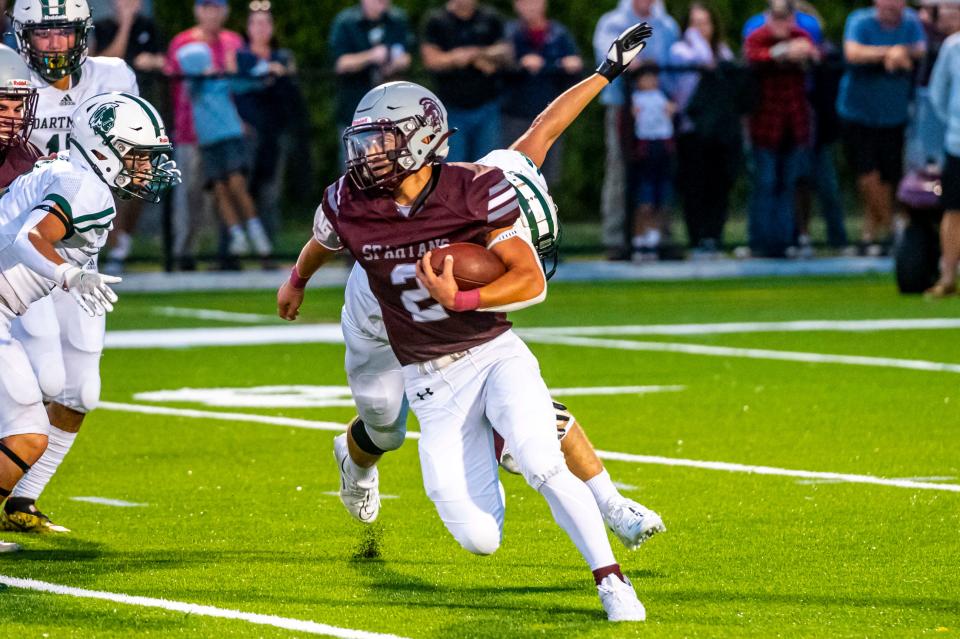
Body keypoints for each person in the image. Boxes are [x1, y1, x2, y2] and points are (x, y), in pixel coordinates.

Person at [278, 24, 660, 621]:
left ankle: (601, 522)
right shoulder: (484, 180)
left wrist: (463, 298)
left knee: (533, 434)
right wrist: (607, 71)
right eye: (369, 141)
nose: (369, 153)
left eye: (382, 142)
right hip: (378, 306)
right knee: (383, 428)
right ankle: (356, 463)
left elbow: (521, 277)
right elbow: (545, 129)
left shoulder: (487, 214)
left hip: (466, 336)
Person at [0, 93, 179, 540]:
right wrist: (69, 275)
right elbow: (28, 238)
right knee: (26, 434)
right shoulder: (88, 187)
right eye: (137, 156)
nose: (146, 168)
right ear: (103, 149)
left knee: (29, 427)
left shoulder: (67, 170)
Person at [1, 0, 141, 533]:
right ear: (21, 36)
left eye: (64, 33)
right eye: (43, 34)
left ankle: (22, 502)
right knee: (40, 381)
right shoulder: (9, 77)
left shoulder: (114, 75)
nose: (55, 45)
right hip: (26, 245)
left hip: (84, 243)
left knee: (81, 391)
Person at [837, 0, 926, 256]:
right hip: (859, 113)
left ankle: (871, 234)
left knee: (890, 176)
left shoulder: (911, 22)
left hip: (894, 115)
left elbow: (920, 50)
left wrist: (900, 53)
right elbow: (853, 53)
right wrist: (892, 53)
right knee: (867, 174)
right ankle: (891, 230)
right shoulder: (861, 21)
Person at [593, 0, 679, 260]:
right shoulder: (613, 23)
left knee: (661, 172)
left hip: (658, 111)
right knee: (620, 170)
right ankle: (617, 239)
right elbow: (610, 58)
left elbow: (672, 65)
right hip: (624, 108)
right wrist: (637, 61)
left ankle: (661, 237)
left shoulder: (666, 25)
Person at [166, 0, 245, 271]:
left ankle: (227, 252)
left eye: (217, 7)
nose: (212, 13)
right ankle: (183, 254)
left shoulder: (232, 42)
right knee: (189, 195)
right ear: (198, 10)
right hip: (191, 132)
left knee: (225, 192)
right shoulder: (183, 43)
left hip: (225, 132)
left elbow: (240, 85)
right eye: (206, 7)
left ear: (225, 11)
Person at [91, 0, 166, 274]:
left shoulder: (149, 28)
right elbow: (106, 62)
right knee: (105, 187)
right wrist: (125, 26)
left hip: (141, 122)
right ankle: (108, 246)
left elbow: (165, 62)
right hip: (104, 121)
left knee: (141, 183)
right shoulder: (102, 28)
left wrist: (156, 62)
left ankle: (121, 243)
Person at [744, 0, 820, 258]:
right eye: (775, 17)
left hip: (794, 125)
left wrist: (805, 52)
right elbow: (754, 56)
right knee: (765, 184)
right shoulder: (758, 37)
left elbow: (815, 56)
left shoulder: (802, 36)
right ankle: (761, 243)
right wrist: (783, 51)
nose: (780, 23)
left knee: (788, 186)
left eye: (785, 18)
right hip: (765, 127)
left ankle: (785, 241)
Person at [668, 3, 741, 258]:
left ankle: (715, 236)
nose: (701, 29)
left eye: (706, 23)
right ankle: (697, 238)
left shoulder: (723, 51)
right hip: (692, 129)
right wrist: (695, 39)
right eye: (695, 23)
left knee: (718, 184)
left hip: (719, 129)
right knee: (694, 185)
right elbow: (703, 61)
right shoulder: (680, 50)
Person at [236, 2, 305, 241]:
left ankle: (268, 248)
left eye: (266, 22)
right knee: (241, 189)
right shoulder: (239, 58)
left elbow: (293, 95)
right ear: (248, 27)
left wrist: (283, 73)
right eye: (256, 22)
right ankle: (233, 248)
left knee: (270, 192)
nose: (261, 28)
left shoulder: (283, 58)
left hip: (275, 135)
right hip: (247, 133)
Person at [501, 0, 582, 188]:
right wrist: (520, 65)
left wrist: (564, 66)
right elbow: (497, 69)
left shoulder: (559, 34)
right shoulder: (509, 33)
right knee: (510, 172)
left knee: (547, 176)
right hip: (515, 115)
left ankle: (543, 215)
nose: (529, 6)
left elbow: (576, 67)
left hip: (550, 115)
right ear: (516, 5)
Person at [421, 0, 513, 163]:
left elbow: (505, 51)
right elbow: (432, 60)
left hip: (487, 107)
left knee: (488, 168)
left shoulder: (490, 18)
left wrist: (472, 54)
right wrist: (458, 58)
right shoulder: (437, 21)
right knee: (454, 169)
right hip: (450, 109)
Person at [329, 0, 412, 140]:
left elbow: (407, 56)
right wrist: (371, 56)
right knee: (356, 158)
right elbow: (340, 64)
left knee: (393, 158)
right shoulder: (346, 22)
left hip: (391, 110)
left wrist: (396, 64)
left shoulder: (397, 19)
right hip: (355, 109)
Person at [926, 22, 960, 297]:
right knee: (953, 209)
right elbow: (937, 94)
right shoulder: (953, 47)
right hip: (957, 143)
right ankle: (947, 277)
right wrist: (954, 123)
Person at [629, 67, 674, 260]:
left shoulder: (662, 97)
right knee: (644, 200)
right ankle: (639, 241)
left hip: (662, 148)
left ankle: (653, 241)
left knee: (660, 199)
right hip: (645, 150)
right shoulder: (635, 99)